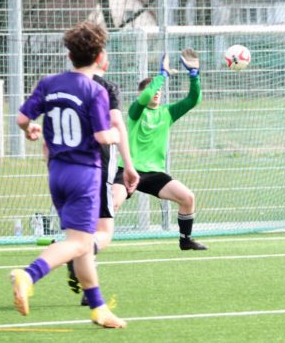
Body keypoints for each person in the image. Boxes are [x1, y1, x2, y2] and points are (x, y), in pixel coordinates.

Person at [11, 20, 126, 328]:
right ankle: (28, 274)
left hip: (56, 172)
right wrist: (116, 135)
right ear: (100, 55)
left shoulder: (49, 82)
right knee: (78, 243)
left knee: (83, 241)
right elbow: (103, 137)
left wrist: (31, 128)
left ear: (69, 55)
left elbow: (22, 117)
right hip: (84, 174)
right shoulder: (95, 90)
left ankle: (98, 308)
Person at [110, 48, 207, 250]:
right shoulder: (136, 111)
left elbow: (193, 99)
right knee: (113, 202)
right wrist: (162, 75)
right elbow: (146, 95)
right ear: (141, 94)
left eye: (159, 91)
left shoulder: (167, 113)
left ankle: (185, 240)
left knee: (188, 198)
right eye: (153, 90)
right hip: (130, 171)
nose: (156, 93)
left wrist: (194, 75)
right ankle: (86, 241)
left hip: (155, 173)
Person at [65, 46, 140, 303]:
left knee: (84, 227)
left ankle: (89, 289)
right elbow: (117, 125)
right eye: (105, 53)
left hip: (66, 165)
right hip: (97, 163)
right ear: (99, 59)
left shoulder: (61, 85)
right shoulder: (107, 87)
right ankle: (72, 256)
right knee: (103, 230)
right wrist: (129, 166)